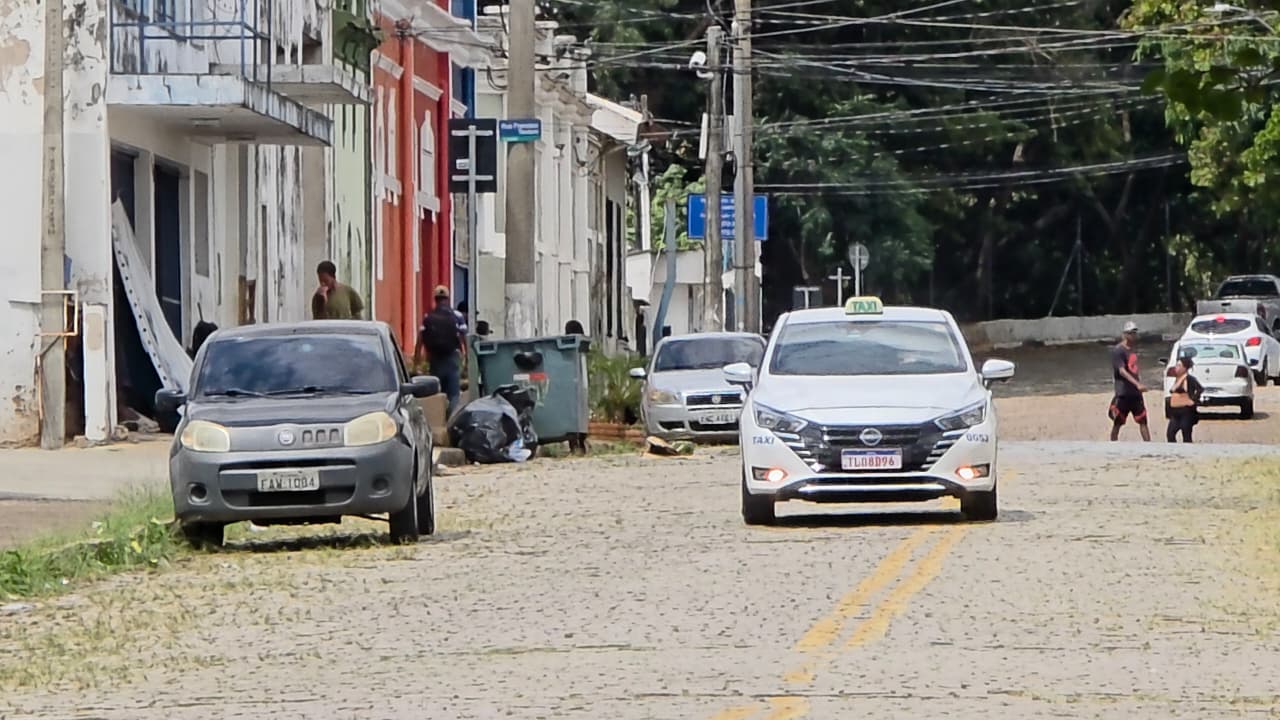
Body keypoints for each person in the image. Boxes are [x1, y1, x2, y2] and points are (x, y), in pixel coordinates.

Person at [416, 286, 466, 414]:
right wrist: (467, 358)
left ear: (435, 299)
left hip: (435, 359)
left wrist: (417, 362)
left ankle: (439, 417)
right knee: (454, 393)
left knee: (437, 392)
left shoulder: (428, 317)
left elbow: (420, 339)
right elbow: (463, 337)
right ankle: (450, 419)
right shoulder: (457, 316)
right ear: (448, 299)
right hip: (452, 358)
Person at [1109, 321, 1151, 442]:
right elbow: (1122, 371)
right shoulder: (1119, 351)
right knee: (1118, 422)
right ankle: (1113, 445)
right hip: (1123, 392)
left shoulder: (1132, 350)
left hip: (1135, 393)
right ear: (1125, 334)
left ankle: (1149, 446)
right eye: (1131, 333)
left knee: (1143, 420)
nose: (1133, 336)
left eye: (1134, 333)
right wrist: (1137, 384)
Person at [1166, 353, 1203, 443]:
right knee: (1170, 434)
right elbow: (1172, 390)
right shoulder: (1177, 379)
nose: (1176, 368)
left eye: (1179, 366)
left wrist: (1193, 400)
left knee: (1186, 434)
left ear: (1185, 368)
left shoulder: (1189, 379)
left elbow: (1200, 388)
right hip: (1175, 412)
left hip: (1186, 411)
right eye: (1176, 365)